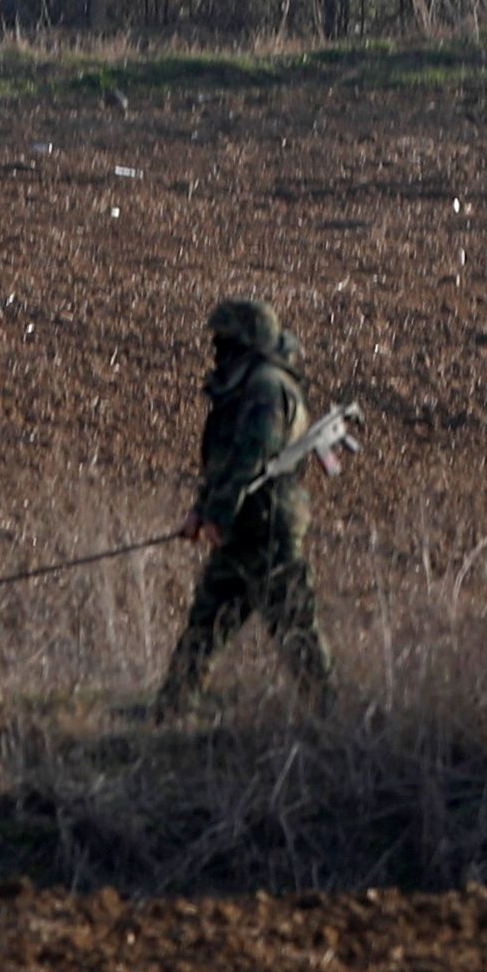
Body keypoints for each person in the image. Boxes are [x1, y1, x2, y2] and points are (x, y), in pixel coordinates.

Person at [153, 295, 334, 717]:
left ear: (246, 342)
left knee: (295, 626)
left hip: (267, 526)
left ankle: (330, 715)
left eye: (226, 341)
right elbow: (225, 463)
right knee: (206, 625)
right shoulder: (249, 384)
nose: (219, 350)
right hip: (243, 527)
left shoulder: (267, 388)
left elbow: (251, 456)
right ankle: (170, 713)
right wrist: (204, 510)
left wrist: (217, 513)